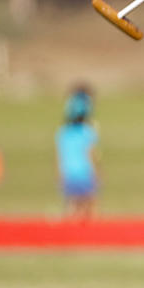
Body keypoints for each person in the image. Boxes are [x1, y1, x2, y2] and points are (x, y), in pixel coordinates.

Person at [56, 85, 100, 219]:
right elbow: (90, 154)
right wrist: (97, 172)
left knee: (71, 207)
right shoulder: (88, 132)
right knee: (89, 208)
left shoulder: (63, 132)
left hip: (68, 173)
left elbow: (59, 157)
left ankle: (68, 235)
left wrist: (60, 175)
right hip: (84, 173)